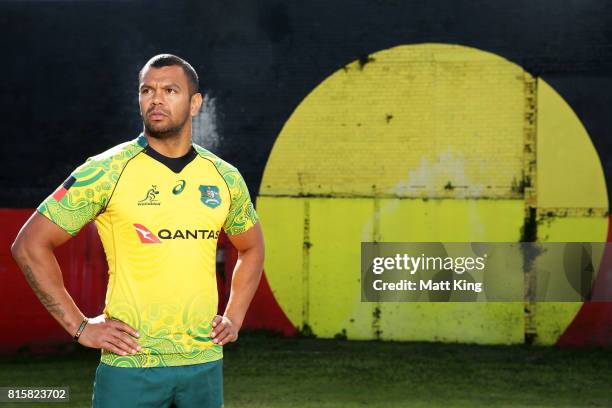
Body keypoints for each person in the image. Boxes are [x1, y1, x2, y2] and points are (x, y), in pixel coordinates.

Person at [10, 54, 265, 407]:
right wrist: (80, 327)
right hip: (131, 365)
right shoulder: (104, 171)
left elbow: (251, 247)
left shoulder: (223, 176)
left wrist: (234, 317)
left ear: (194, 103)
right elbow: (29, 246)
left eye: (170, 90)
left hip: (203, 363)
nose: (156, 99)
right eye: (147, 90)